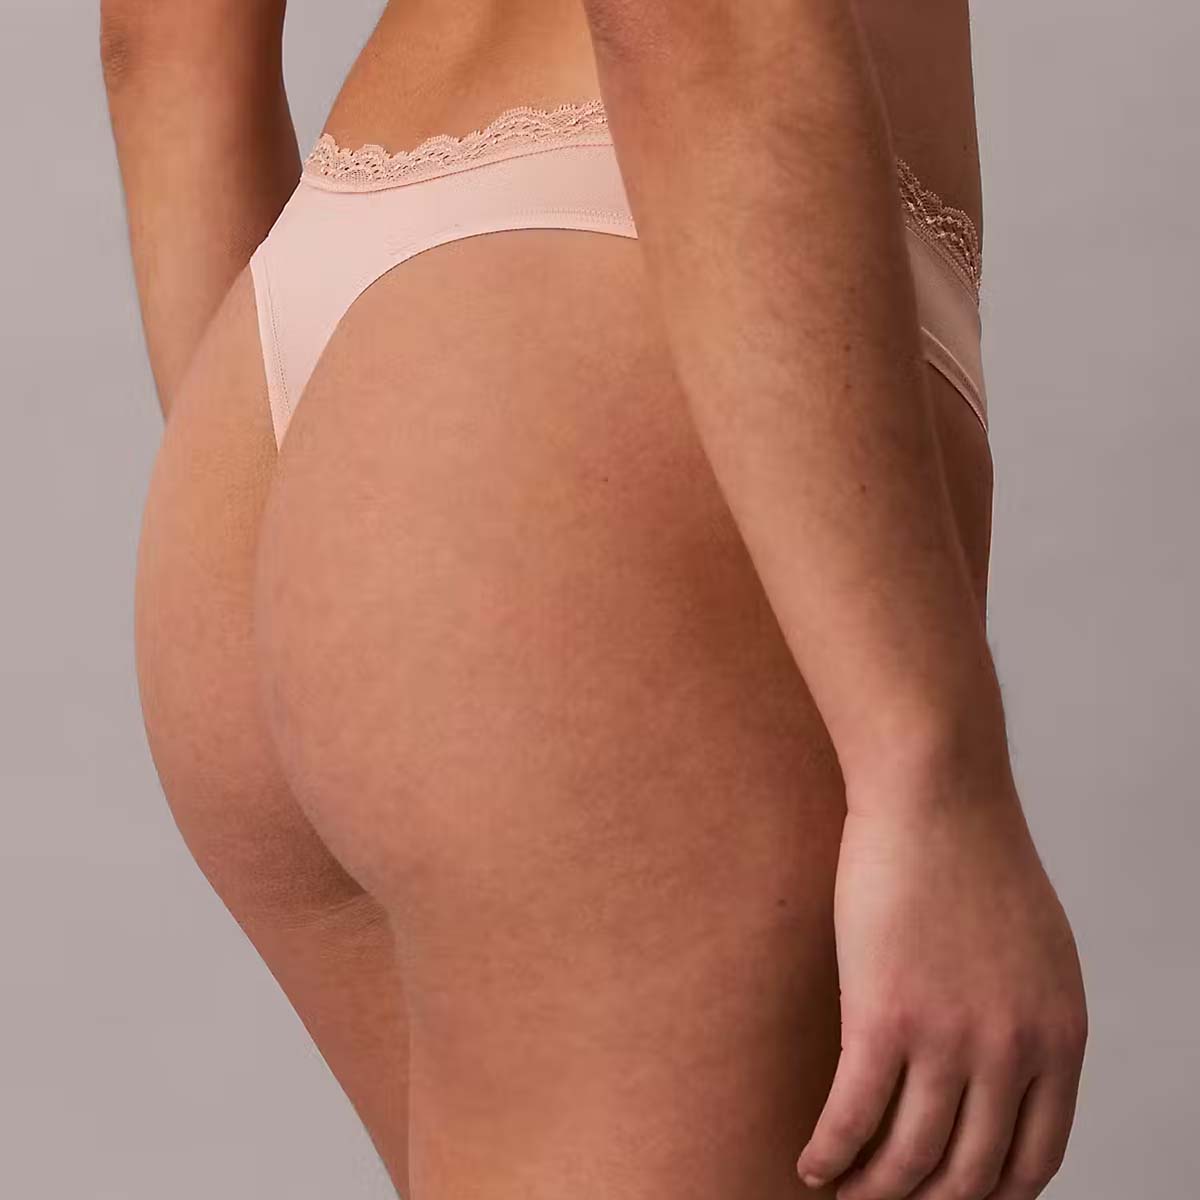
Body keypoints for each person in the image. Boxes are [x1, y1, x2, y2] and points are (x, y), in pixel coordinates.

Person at [102, 0, 1087, 1196]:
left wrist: (316, 545)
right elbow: (697, 21)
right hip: (620, 316)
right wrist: (929, 770)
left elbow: (157, 40)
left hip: (292, 398)